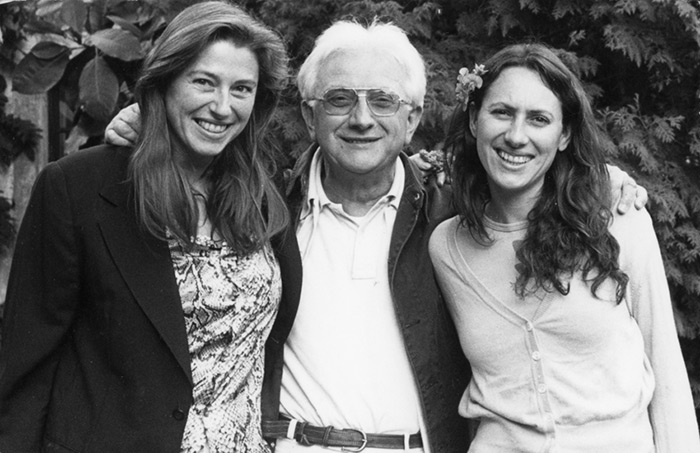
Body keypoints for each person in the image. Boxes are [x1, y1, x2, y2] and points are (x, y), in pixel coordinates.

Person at [104, 22, 647, 453]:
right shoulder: (259, 209)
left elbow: (527, 186)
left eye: (383, 102)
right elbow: (196, 145)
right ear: (308, 113)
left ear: (412, 119)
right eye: (339, 99)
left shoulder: (453, 217)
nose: (361, 119)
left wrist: (605, 181)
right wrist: (147, 121)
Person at [0, 2, 302, 452]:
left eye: (242, 88)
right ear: (164, 81)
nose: (222, 107)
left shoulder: (261, 195)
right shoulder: (77, 188)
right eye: (203, 82)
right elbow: (25, 369)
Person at [429, 42, 700, 452]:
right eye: (502, 112)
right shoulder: (447, 248)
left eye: (539, 119)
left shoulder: (617, 220)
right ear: (473, 119)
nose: (516, 136)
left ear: (564, 135)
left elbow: (667, 370)